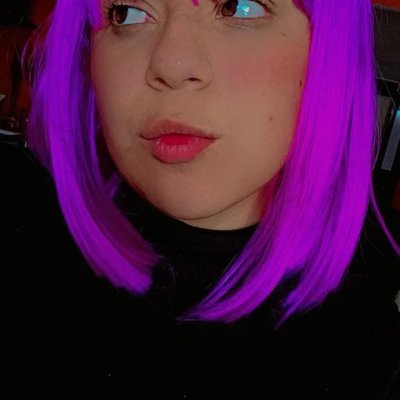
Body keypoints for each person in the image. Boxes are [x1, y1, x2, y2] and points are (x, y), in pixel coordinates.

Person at [2, 0, 399, 397]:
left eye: (239, 7)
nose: (172, 64)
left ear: (327, 51)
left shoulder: (367, 347)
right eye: (127, 12)